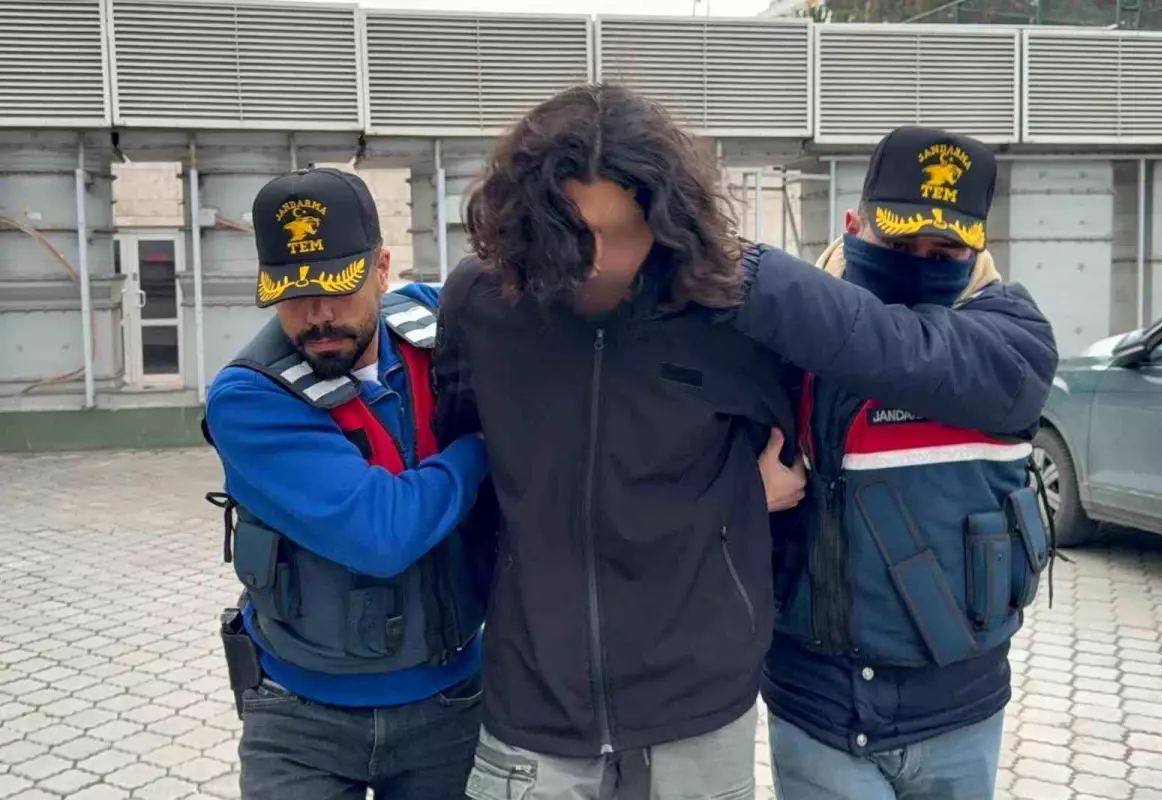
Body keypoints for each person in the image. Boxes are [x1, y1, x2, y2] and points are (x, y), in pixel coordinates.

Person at [433, 83, 808, 800]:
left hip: (700, 701)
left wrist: (743, 499)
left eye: (627, 229)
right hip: (535, 701)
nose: (602, 258)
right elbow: (465, 450)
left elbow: (794, 450)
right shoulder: (480, 303)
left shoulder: (724, 307)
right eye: (575, 232)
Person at [732, 127, 1060, 799]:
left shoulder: (1014, 343)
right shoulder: (781, 341)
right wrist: (745, 494)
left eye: (943, 251)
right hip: (817, 710)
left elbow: (892, 346)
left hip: (959, 715)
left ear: (978, 249)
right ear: (854, 226)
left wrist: (743, 269)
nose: (918, 264)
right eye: (899, 245)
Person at [202, 167, 493, 799]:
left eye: (339, 288)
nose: (319, 316)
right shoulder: (249, 397)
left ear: (382, 269)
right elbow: (381, 534)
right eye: (294, 294)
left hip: (450, 707)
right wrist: (482, 445)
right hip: (301, 723)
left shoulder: (436, 324)